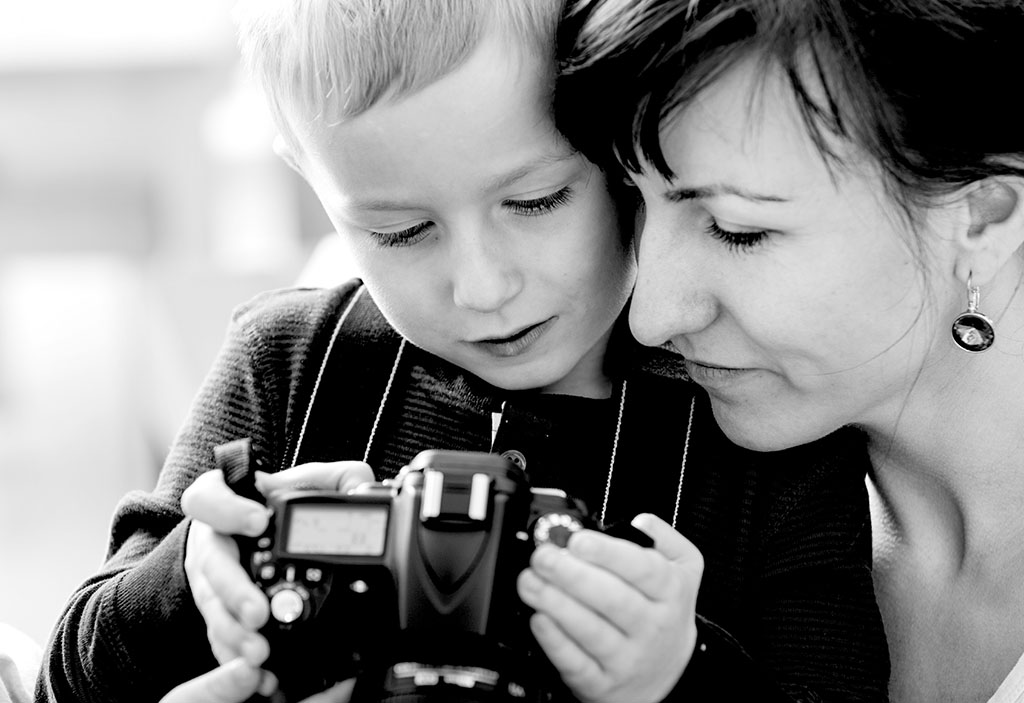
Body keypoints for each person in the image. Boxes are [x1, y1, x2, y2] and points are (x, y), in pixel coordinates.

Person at [36, 0, 889, 701]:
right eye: (400, 231)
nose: (480, 287)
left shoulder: (754, 427)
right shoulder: (287, 367)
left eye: (536, 201)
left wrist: (678, 673)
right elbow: (65, 681)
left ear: (623, 146)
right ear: (310, 178)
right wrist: (193, 579)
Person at [555, 0, 1024, 701]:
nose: (650, 318)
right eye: (633, 202)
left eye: (736, 229)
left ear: (981, 218)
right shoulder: (663, 497)